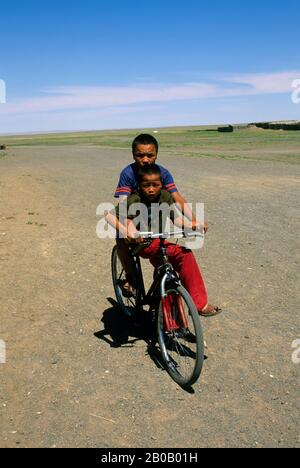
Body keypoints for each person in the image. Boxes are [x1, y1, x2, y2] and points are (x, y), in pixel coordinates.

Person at [107, 164, 222, 317]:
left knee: (167, 272)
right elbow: (109, 216)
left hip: (158, 242)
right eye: (146, 185)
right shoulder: (134, 199)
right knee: (184, 254)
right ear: (139, 186)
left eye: (155, 185)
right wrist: (128, 232)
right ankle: (200, 305)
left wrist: (193, 225)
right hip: (141, 243)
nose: (151, 189)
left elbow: (176, 219)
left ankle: (163, 311)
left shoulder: (165, 196)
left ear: (162, 184)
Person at [114, 133, 204, 296]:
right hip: (131, 217)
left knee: (163, 254)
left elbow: (176, 197)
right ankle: (129, 277)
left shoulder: (162, 173)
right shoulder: (128, 173)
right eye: (140, 155)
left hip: (153, 220)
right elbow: (123, 203)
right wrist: (128, 229)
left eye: (150, 155)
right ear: (133, 155)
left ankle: (161, 294)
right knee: (121, 238)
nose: (146, 159)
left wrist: (195, 221)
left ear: (157, 154)